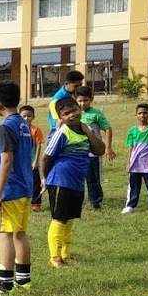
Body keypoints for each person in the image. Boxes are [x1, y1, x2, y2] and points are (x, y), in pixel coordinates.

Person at [0, 82, 35, 296]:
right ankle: (23, 281)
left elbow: (6, 160)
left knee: (3, 234)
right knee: (19, 234)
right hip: (25, 188)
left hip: (10, 190)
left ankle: (4, 285)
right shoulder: (24, 124)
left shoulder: (5, 126)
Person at [42, 93, 97, 266]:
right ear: (61, 117)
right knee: (59, 218)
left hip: (77, 182)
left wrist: (88, 130)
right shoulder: (62, 132)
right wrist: (45, 178)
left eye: (74, 110)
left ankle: (66, 254)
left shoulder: (83, 129)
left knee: (70, 219)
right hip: (60, 181)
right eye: (66, 114)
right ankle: (54, 257)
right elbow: (46, 157)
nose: (72, 115)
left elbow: (100, 150)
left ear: (79, 108)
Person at [73, 87, 112, 209]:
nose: (82, 103)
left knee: (93, 177)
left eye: (85, 100)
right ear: (75, 99)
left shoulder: (97, 114)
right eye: (80, 101)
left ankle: (95, 201)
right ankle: (76, 200)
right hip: (78, 152)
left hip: (93, 153)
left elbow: (108, 129)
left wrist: (108, 147)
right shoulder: (73, 114)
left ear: (91, 99)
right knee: (77, 177)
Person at [20, 105, 46, 210]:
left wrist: (35, 161)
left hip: (32, 162)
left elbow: (39, 145)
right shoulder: (18, 129)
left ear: (33, 117)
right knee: (22, 182)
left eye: (29, 116)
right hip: (21, 163)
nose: (26, 118)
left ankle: (36, 203)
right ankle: (22, 201)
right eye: (24, 116)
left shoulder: (35, 130)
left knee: (35, 182)